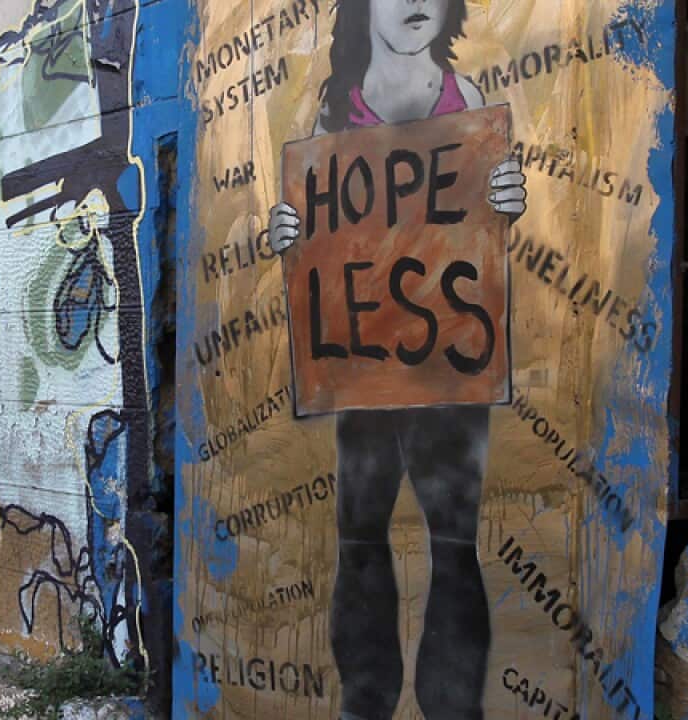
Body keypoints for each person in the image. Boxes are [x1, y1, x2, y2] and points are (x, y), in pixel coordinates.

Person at [268, 1, 525, 718]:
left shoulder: (467, 103)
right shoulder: (334, 116)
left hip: (450, 369)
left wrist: (507, 200)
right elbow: (314, 231)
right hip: (361, 367)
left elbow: (483, 226)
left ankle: (451, 706)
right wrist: (286, 229)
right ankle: (367, 698)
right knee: (360, 533)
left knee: (453, 540)